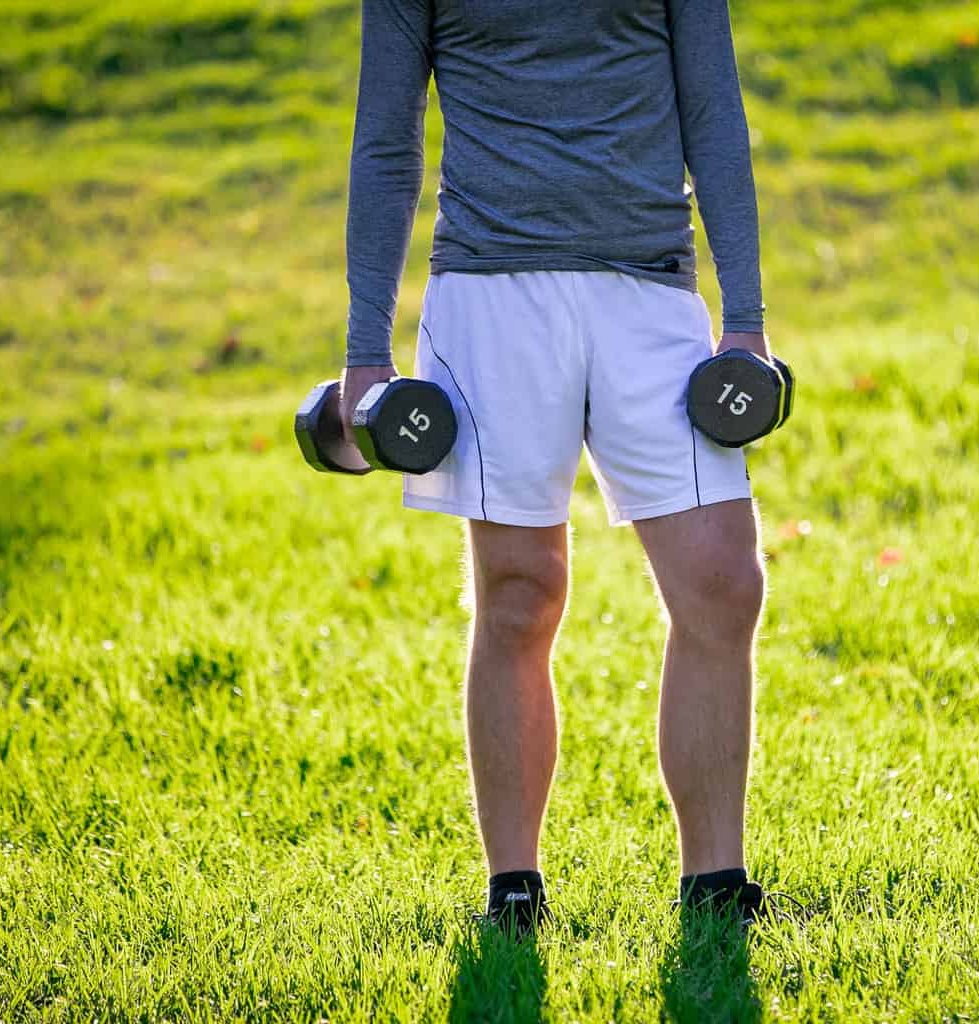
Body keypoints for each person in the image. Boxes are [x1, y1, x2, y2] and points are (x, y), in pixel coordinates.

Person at [334, 0, 780, 935]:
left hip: (651, 290)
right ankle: (515, 891)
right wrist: (366, 347)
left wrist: (745, 315)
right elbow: (386, 138)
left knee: (721, 579)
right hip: (492, 291)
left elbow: (714, 110)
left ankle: (716, 886)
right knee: (519, 592)